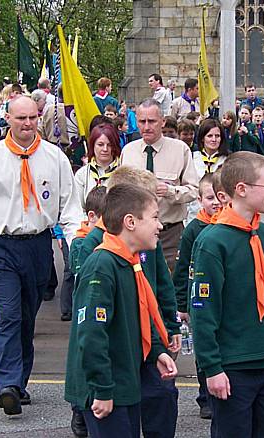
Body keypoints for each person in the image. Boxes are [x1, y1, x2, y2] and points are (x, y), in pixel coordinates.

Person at [0, 96, 82, 415]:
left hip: (38, 246)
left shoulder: (55, 158)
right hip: (1, 247)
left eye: (33, 117)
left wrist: (77, 248)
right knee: (9, 314)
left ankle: (19, 381)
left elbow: (69, 209)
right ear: (7, 120)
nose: (27, 124)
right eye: (21, 118)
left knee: (26, 317)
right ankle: (7, 383)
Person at [191, 151, 264, 437]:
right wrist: (211, 368)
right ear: (241, 189)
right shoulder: (213, 242)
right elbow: (203, 310)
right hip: (233, 366)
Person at [71, 167, 183, 438]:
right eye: (155, 218)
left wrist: (157, 351)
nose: (160, 225)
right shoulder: (102, 265)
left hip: (126, 380)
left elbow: (141, 315)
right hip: (110, 386)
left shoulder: (129, 261)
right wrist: (102, 389)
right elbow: (92, 334)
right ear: (130, 222)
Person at [121, 99, 199, 271]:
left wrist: (171, 191)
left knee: (168, 287)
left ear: (162, 122)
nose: (147, 127)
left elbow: (194, 190)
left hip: (169, 234)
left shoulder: (180, 150)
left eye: (152, 121)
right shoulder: (128, 151)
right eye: (142, 121)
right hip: (135, 234)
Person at [173, 173, 221, 420]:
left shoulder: (227, 226)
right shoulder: (193, 229)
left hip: (222, 301)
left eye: (218, 197)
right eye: (209, 198)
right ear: (200, 200)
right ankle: (206, 397)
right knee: (204, 348)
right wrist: (181, 304)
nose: (215, 203)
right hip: (198, 300)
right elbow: (181, 270)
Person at [74, 123, 121, 210]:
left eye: (109, 145)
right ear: (92, 145)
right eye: (100, 144)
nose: (105, 149)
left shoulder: (123, 173)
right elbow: (77, 208)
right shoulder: (82, 174)